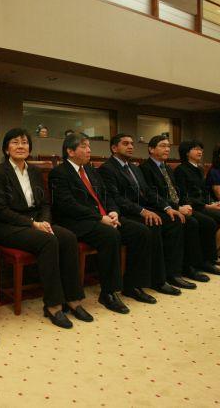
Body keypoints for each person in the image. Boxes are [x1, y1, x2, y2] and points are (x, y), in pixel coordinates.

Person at [0, 128, 91, 328]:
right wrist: (33, 224)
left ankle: (73, 299)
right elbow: (0, 210)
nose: (21, 146)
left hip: (36, 222)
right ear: (6, 148)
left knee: (68, 237)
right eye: (15, 142)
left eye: (25, 142)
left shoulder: (34, 171)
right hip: (9, 227)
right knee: (49, 240)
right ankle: (53, 305)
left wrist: (44, 221)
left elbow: (44, 203)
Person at [49, 133, 154, 314]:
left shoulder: (91, 170)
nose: (89, 150)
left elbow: (106, 196)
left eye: (89, 146)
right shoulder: (59, 173)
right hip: (77, 222)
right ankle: (109, 293)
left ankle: (133, 285)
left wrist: (113, 212)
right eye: (84, 146)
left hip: (103, 217)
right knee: (111, 235)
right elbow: (68, 205)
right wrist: (99, 218)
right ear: (70, 151)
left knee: (140, 231)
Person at [98, 134, 186, 295]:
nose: (131, 146)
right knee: (151, 225)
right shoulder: (107, 169)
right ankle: (138, 283)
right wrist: (143, 211)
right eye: (125, 143)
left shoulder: (134, 168)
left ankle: (170, 273)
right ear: (114, 148)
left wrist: (167, 208)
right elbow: (116, 198)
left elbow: (148, 192)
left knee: (173, 220)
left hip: (140, 209)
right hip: (123, 212)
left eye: (132, 143)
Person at [139, 135, 220, 280]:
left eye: (168, 146)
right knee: (191, 223)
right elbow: (152, 195)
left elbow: (178, 192)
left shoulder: (167, 168)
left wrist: (186, 204)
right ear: (151, 149)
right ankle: (188, 266)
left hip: (177, 205)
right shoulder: (145, 168)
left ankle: (205, 261)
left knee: (208, 222)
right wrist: (176, 208)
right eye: (162, 146)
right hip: (160, 207)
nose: (167, 149)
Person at [174, 140, 220, 266]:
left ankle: (219, 252)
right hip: (195, 206)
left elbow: (205, 191)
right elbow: (183, 196)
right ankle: (209, 255)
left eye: (201, 149)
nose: (200, 151)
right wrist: (206, 205)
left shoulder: (199, 169)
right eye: (195, 149)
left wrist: (212, 203)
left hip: (206, 204)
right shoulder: (181, 170)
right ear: (186, 153)